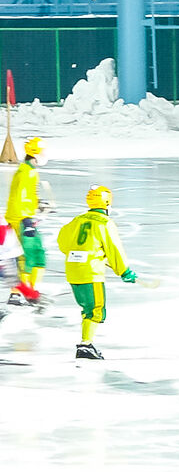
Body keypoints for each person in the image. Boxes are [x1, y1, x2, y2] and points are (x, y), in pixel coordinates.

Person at [56, 184, 137, 360]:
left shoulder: (77, 220)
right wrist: (124, 271)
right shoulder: (105, 223)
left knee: (87, 308)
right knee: (95, 309)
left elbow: (62, 241)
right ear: (107, 202)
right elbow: (114, 249)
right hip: (91, 273)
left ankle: (86, 343)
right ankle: (85, 345)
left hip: (73, 271)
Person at [5, 137, 48, 307]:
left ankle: (21, 292)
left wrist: (38, 204)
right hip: (21, 220)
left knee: (26, 257)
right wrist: (27, 220)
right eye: (42, 152)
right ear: (35, 154)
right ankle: (24, 293)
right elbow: (21, 197)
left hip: (20, 218)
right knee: (28, 257)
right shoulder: (27, 172)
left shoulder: (26, 170)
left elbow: (26, 195)